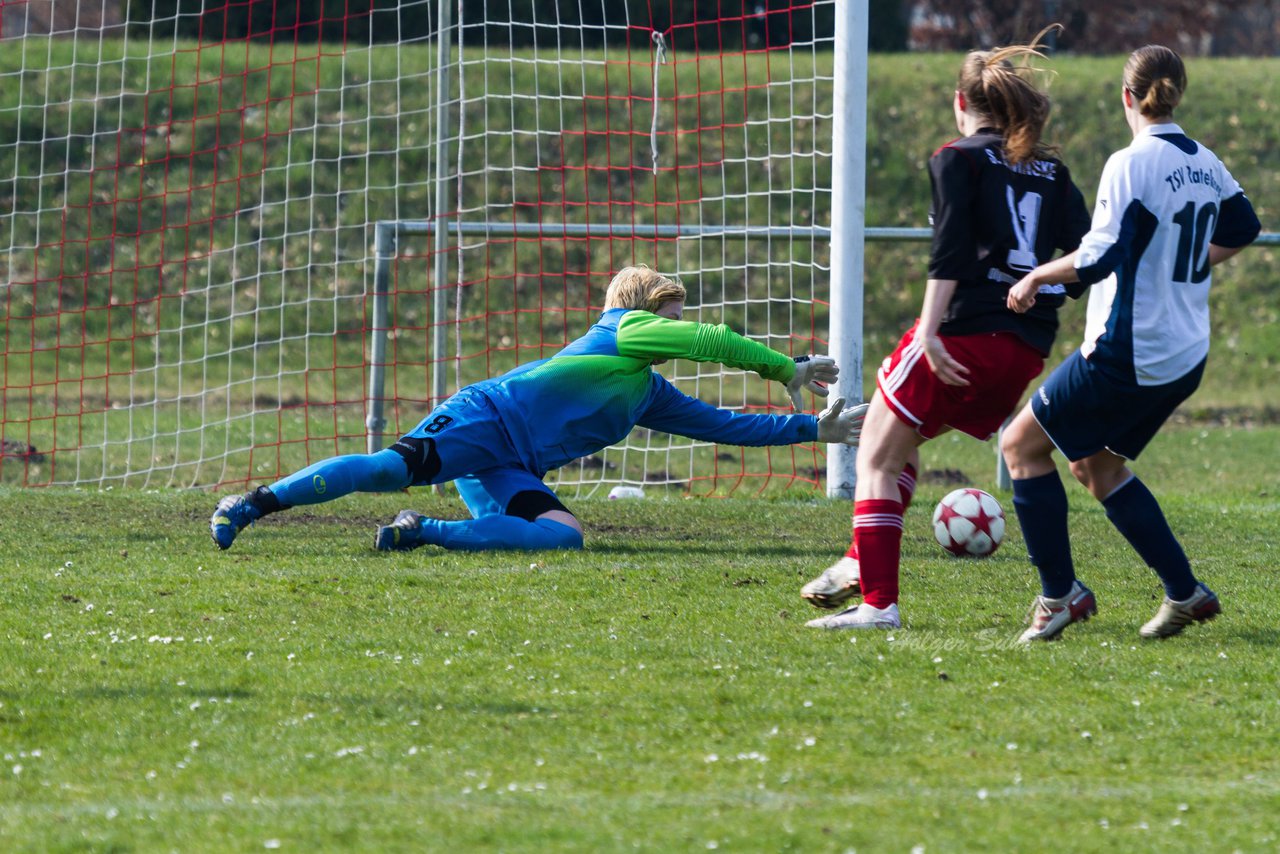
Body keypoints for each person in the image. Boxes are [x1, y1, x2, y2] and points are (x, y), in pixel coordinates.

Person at [209, 265, 868, 553]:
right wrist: (787, 367)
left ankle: (422, 532)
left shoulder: (646, 388)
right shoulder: (624, 330)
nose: (675, 328)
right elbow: (710, 341)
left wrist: (813, 428)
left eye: (676, 318)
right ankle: (253, 505)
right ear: (640, 311)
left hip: (511, 463)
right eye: (669, 313)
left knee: (564, 535)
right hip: (481, 420)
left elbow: (723, 426)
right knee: (385, 468)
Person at [803, 30, 1092, 630]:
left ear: (960, 103)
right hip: (1022, 351)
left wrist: (929, 332)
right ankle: (861, 559)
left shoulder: (955, 158)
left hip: (962, 335)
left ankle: (878, 602)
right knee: (897, 439)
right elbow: (1089, 257)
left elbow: (950, 254)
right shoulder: (1050, 170)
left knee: (875, 457)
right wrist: (1046, 288)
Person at [1002, 45, 1260, 642]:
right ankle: (1185, 593)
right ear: (1177, 93)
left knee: (1020, 447)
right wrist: (1187, 262)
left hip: (1130, 352)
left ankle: (1058, 596)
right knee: (1095, 465)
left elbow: (1095, 260)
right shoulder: (1203, 160)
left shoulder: (1130, 161)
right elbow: (1244, 226)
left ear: (1127, 96)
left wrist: (1038, 275)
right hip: (1185, 353)